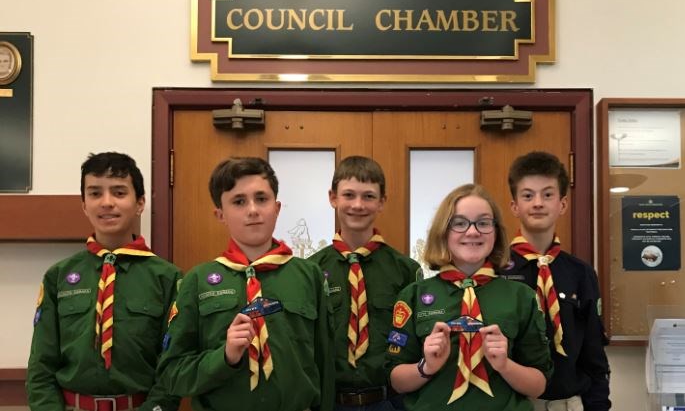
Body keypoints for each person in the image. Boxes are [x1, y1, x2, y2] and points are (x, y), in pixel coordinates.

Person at [157, 156, 334, 411]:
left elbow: (325, 368)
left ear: (277, 207)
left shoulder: (310, 277)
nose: (252, 209)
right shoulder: (196, 282)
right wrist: (225, 357)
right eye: (239, 201)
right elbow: (172, 375)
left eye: (261, 199)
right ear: (220, 214)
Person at [26, 152, 182, 411]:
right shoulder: (59, 277)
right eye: (95, 193)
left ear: (140, 202)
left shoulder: (168, 278)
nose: (107, 203)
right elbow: (41, 364)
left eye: (119, 193)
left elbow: (172, 364)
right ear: (84, 204)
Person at [387, 183, 552, 411]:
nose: (472, 232)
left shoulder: (521, 297)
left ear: (496, 232)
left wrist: (505, 365)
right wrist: (426, 367)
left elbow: (538, 385)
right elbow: (396, 381)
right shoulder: (414, 295)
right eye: (459, 223)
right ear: (443, 231)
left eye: (483, 223)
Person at [308, 155, 422, 410]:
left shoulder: (405, 270)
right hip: (330, 401)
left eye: (369, 196)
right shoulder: (311, 270)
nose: (358, 205)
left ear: (382, 202)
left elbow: (415, 343)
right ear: (333, 197)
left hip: (389, 401)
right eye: (349, 195)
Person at [505, 151, 610, 411]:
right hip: (511, 404)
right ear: (514, 206)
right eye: (528, 195)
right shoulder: (495, 271)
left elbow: (593, 355)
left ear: (562, 204)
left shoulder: (581, 273)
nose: (538, 203)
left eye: (548, 194)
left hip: (567, 404)